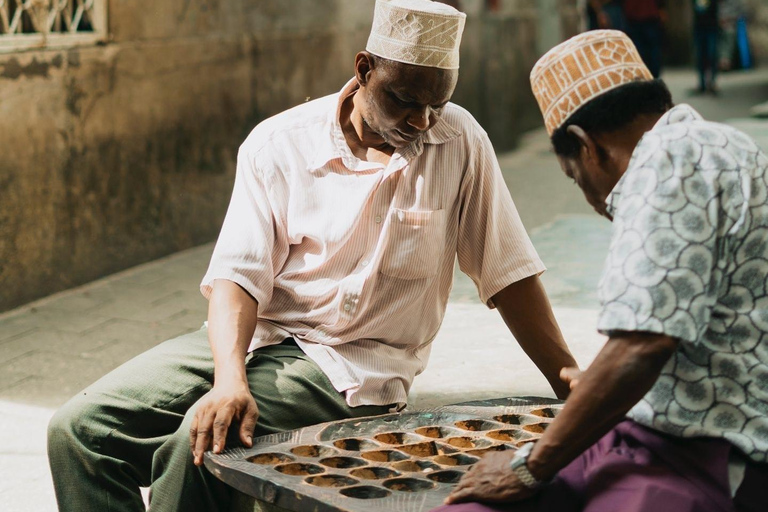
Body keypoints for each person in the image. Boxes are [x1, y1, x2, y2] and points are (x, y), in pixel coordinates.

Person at [46, 1, 578, 511]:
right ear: (364, 68)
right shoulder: (278, 143)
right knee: (80, 430)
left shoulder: (459, 140)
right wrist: (229, 378)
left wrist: (570, 383)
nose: (421, 121)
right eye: (404, 99)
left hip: (356, 365)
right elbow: (239, 274)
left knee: (200, 440)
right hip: (263, 337)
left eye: (435, 104)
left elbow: (507, 271)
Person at [434, 29, 768, 512]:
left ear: (584, 145)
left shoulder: (669, 160)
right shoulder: (716, 145)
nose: (593, 202)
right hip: (653, 430)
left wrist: (529, 466)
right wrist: (600, 382)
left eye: (576, 178)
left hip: (710, 448)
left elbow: (643, 345)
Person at [623, 0, 666, 78]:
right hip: (646, 15)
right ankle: (652, 76)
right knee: (650, 50)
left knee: (641, 50)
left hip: (638, 15)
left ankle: (645, 75)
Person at [693, 0, 721, 94]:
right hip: (699, 27)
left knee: (711, 55)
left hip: (711, 27)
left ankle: (712, 82)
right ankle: (702, 83)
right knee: (701, 56)